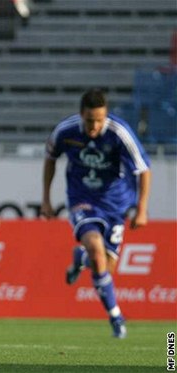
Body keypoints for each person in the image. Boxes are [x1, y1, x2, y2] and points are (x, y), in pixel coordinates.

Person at [41, 89, 151, 339]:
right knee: (97, 250)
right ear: (81, 115)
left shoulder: (119, 133)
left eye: (99, 120)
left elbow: (144, 169)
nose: (94, 126)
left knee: (105, 268)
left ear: (106, 116)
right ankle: (116, 318)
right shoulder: (66, 131)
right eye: (90, 120)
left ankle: (80, 258)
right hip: (82, 200)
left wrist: (142, 209)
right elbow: (50, 157)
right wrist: (46, 199)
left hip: (116, 205)